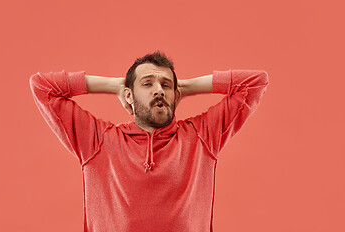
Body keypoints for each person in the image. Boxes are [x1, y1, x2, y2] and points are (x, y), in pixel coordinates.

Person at [29, 50, 269, 232]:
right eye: (147, 83)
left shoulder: (201, 135)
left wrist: (185, 86)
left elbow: (255, 82)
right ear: (129, 95)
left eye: (166, 85)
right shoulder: (97, 140)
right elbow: (43, 87)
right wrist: (113, 85)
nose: (159, 90)